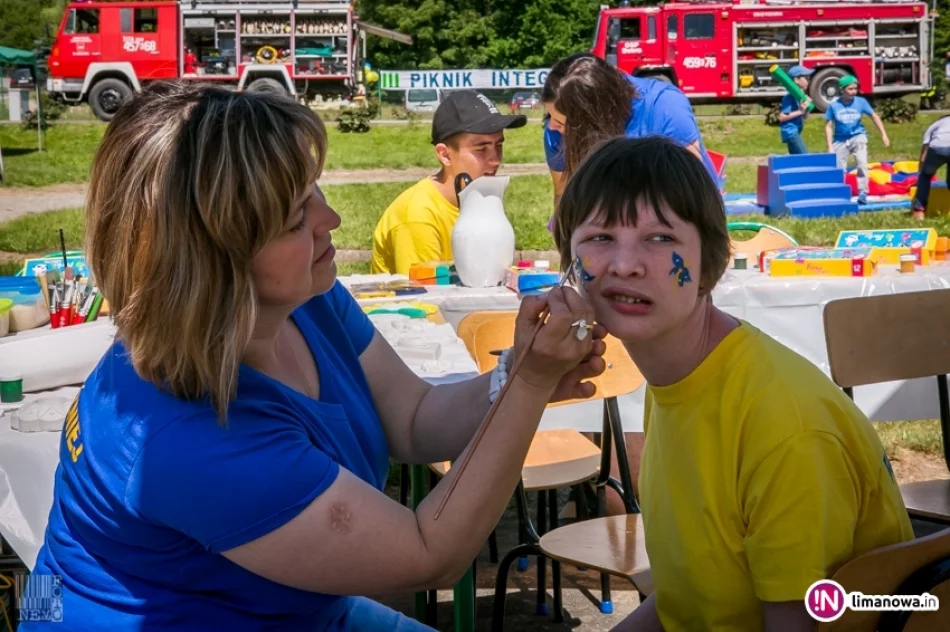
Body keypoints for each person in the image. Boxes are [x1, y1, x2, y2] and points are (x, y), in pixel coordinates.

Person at [21, 82, 607, 631]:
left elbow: (413, 417)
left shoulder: (301, 297)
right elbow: (429, 555)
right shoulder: (188, 435)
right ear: (213, 263)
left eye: (314, 191)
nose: (331, 221)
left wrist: (512, 378)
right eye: (296, 218)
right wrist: (527, 387)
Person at [553, 135, 915, 632]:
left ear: (710, 263)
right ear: (568, 258)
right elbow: (685, 603)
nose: (625, 264)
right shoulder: (676, 377)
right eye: (600, 237)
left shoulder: (784, 428)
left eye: (660, 238)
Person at [370, 90, 526, 275]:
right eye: (481, 149)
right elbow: (422, 290)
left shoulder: (480, 203)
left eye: (498, 145)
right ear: (444, 155)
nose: (495, 160)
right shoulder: (418, 217)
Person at [541, 53, 718, 214]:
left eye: (561, 122)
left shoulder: (664, 107)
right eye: (549, 116)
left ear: (595, 121)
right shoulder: (556, 132)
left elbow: (690, 192)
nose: (551, 127)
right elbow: (563, 196)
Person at [825, 74, 890, 205]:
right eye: (850, 89)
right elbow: (828, 126)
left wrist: (884, 134)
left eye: (855, 88)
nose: (854, 91)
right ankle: (840, 191)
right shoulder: (834, 106)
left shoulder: (861, 102)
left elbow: (874, 116)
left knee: (862, 163)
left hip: (858, 136)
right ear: (842, 90)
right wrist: (830, 145)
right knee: (839, 167)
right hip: (840, 139)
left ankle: (863, 192)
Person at [911, 114, 950, 219]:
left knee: (925, 176)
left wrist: (921, 172)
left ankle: (919, 211)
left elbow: (924, 153)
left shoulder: (935, 125)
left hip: (938, 148)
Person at [777, 66, 814, 154]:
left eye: (809, 78)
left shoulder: (800, 96)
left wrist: (806, 109)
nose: (809, 81)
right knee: (804, 157)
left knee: (795, 159)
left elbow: (804, 117)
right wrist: (800, 111)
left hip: (796, 131)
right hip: (790, 132)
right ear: (796, 80)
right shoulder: (789, 96)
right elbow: (781, 117)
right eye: (806, 78)